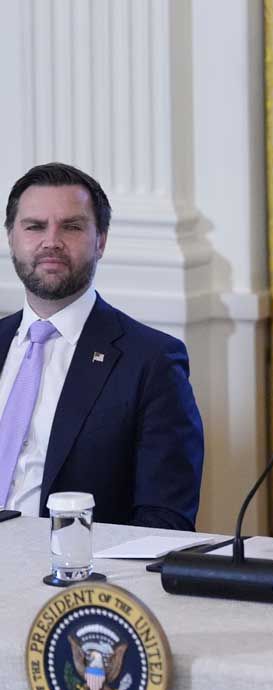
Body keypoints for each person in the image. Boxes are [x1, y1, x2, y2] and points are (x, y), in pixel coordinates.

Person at [0, 162, 204, 530]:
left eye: (71, 227)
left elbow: (165, 519)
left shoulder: (152, 362)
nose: (51, 241)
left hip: (70, 563)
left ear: (101, 241)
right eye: (35, 226)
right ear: (11, 238)